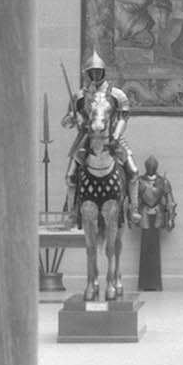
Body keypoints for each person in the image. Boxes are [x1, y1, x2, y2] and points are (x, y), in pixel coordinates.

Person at [60, 51, 136, 302]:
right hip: (87, 138)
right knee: (71, 174)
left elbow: (124, 116)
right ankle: (73, 211)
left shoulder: (116, 94)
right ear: (87, 73)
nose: (94, 75)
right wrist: (73, 118)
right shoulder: (80, 95)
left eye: (97, 71)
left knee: (133, 170)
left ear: (103, 72)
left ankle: (133, 207)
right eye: (90, 72)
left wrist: (115, 135)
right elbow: (68, 119)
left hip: (112, 137)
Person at [131, 152, 176, 293]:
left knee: (154, 250)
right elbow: (134, 200)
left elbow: (170, 201)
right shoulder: (138, 181)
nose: (151, 166)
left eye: (153, 165)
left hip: (157, 215)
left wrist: (170, 218)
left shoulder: (163, 181)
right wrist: (133, 214)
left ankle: (155, 283)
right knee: (145, 250)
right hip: (144, 215)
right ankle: (144, 283)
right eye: (149, 165)